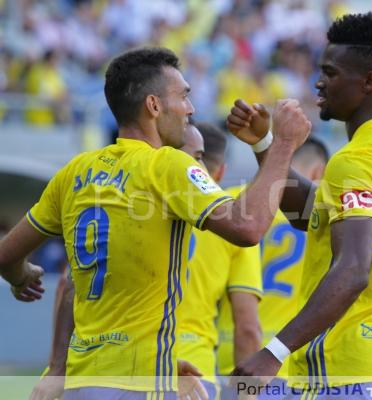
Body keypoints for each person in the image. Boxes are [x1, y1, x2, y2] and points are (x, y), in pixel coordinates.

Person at [0, 46, 311, 400]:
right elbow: (249, 227)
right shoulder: (166, 165)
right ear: (154, 105)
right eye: (184, 96)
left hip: (81, 382)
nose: (190, 109)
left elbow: (7, 256)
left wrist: (21, 276)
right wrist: (283, 144)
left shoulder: (74, 172)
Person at [227, 13, 372, 399]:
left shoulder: (356, 160)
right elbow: (311, 215)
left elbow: (353, 270)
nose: (319, 82)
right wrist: (264, 145)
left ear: (369, 82)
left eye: (331, 73)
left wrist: (273, 353)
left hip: (347, 370)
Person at [216, 137, 329, 399]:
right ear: (319, 172)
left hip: (227, 354)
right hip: (288, 360)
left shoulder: (231, 206)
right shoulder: (321, 219)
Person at [177, 122, 263, 400]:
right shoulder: (233, 221)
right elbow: (247, 327)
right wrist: (247, 396)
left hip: (129, 367)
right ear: (221, 171)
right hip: (194, 373)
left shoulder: (140, 203)